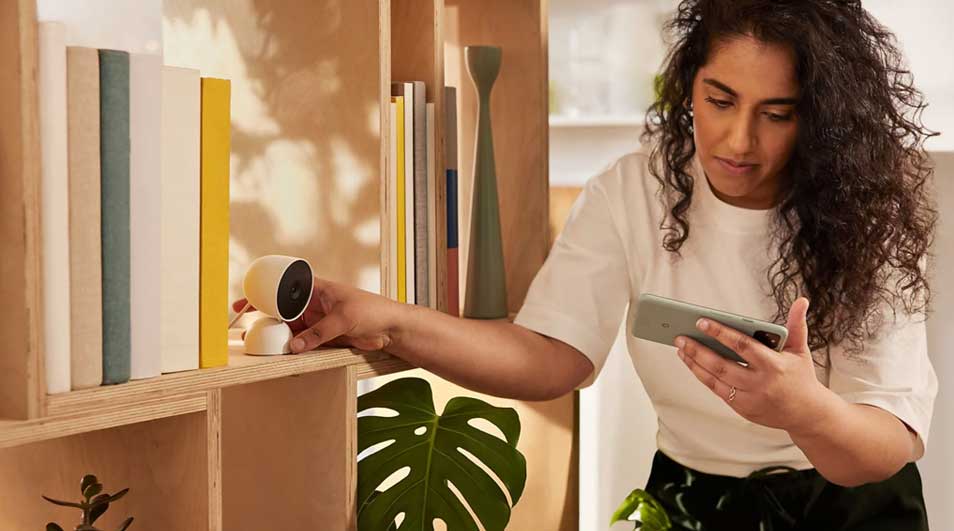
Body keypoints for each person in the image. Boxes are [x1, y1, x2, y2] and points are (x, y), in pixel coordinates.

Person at [234, 0, 940, 528]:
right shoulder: (636, 190)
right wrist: (389, 321)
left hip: (850, 509)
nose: (737, 139)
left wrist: (804, 410)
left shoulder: (862, 211)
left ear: (819, 115)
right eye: (720, 100)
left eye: (777, 114)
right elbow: (551, 356)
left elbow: (883, 446)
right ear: (688, 86)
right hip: (689, 502)